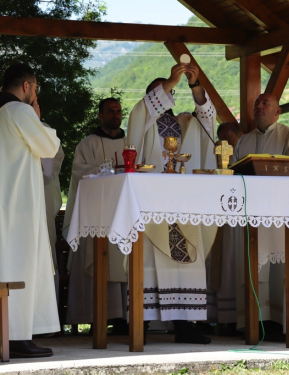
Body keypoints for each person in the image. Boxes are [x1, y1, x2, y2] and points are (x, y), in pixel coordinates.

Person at [127, 63, 217, 344]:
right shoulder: (141, 118)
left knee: (184, 262)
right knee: (152, 264)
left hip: (183, 203)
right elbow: (143, 110)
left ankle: (185, 324)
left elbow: (207, 115)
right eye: (163, 91)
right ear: (152, 97)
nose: (169, 95)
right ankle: (143, 326)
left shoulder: (185, 122)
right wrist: (169, 79)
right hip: (151, 205)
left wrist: (193, 84)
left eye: (171, 90)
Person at [0, 63, 61, 357]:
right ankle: (18, 336)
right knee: (20, 266)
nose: (34, 94)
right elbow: (49, 147)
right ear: (27, 86)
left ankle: (5, 334)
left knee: (5, 266)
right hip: (17, 208)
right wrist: (38, 119)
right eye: (35, 88)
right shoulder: (20, 111)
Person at [211, 93, 289, 335]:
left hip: (276, 216)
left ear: (277, 112)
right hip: (249, 215)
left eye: (265, 104)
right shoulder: (244, 141)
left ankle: (275, 322)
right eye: (256, 103)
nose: (259, 106)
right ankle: (249, 319)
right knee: (248, 265)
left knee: (275, 268)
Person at [62, 98, 128, 330]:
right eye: (110, 111)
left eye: (118, 111)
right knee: (99, 261)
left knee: (124, 262)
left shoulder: (130, 142)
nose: (115, 115)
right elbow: (79, 176)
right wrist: (106, 171)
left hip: (122, 214)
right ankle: (97, 317)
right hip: (96, 216)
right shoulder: (87, 144)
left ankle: (123, 319)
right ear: (100, 115)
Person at [41, 117, 65, 303]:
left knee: (46, 254)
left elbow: (51, 168)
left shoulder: (44, 129)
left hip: (42, 198)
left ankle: (49, 312)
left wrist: (41, 172)